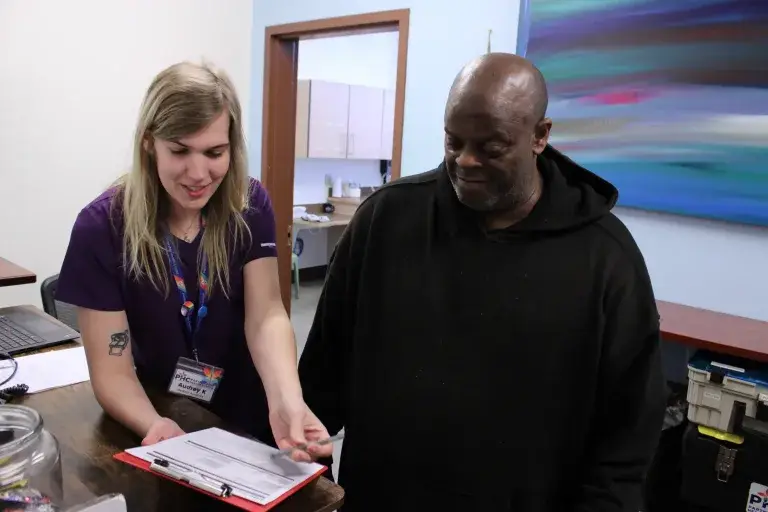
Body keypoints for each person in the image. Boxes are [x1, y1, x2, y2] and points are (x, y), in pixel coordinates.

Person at [298, 53, 666, 510]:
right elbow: (321, 376)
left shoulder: (605, 258)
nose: (466, 162)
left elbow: (628, 437)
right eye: (454, 142)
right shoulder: (385, 222)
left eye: (491, 148)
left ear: (540, 136)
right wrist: (307, 472)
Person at [57, 62, 331, 462]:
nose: (198, 173)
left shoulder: (250, 206)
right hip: (160, 409)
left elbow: (267, 315)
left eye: (214, 152)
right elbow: (112, 369)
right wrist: (152, 424)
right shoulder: (101, 228)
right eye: (180, 151)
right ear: (150, 143)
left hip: (247, 410)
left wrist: (287, 398)